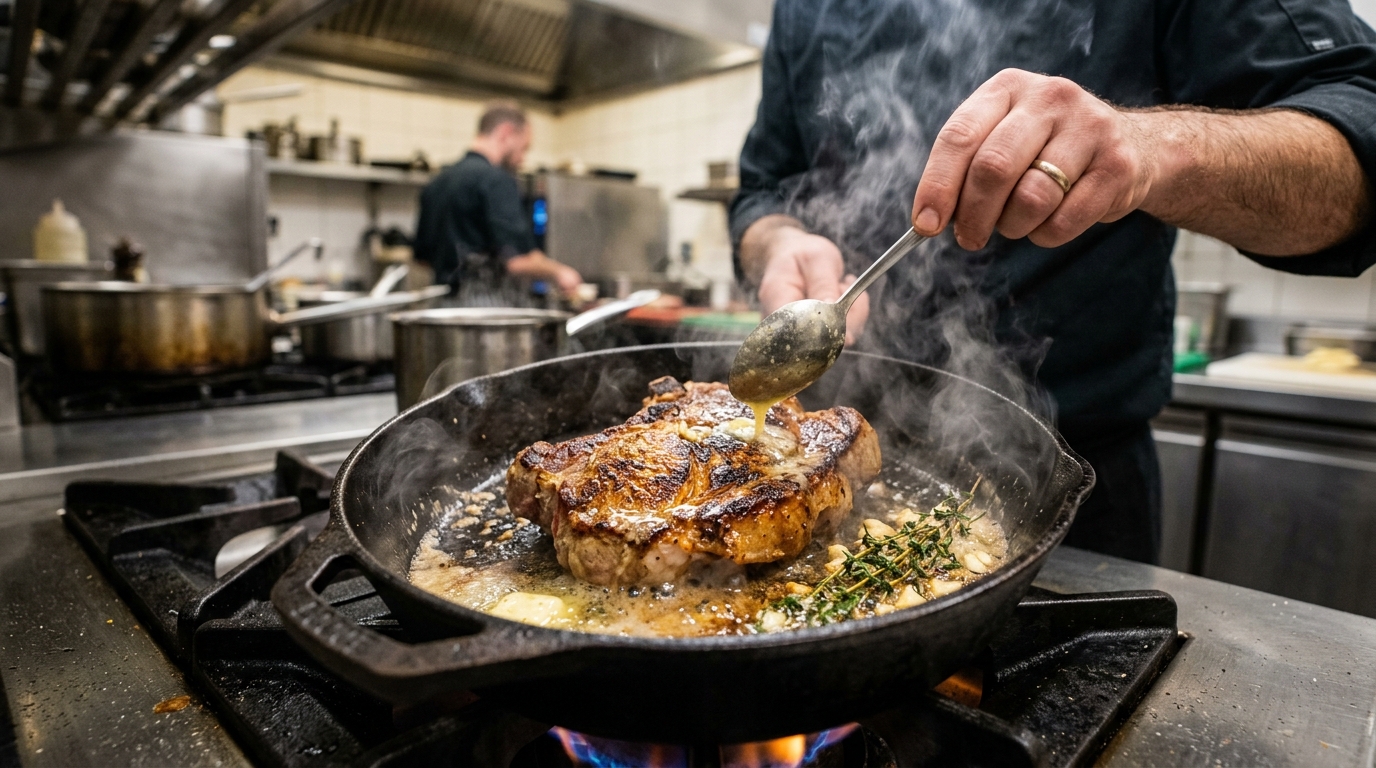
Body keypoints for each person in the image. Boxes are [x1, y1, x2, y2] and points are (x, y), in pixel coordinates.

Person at [731, 0, 1376, 564]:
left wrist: (1148, 148)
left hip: (1068, 486)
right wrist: (780, 243)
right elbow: (762, 190)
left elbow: (1357, 130)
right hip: (823, 461)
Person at [415, 101, 582, 304]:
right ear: (506, 133)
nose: (522, 159)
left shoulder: (437, 182)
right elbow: (517, 261)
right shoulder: (497, 180)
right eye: (524, 148)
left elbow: (422, 259)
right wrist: (561, 272)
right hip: (486, 314)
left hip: (441, 310)